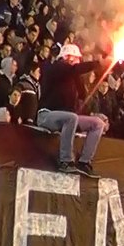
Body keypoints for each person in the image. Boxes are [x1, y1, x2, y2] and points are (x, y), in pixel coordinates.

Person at [37, 43, 108, 177]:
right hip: (47, 115)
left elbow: (82, 96)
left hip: (67, 116)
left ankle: (84, 162)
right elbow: (74, 69)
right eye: (76, 58)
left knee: (97, 124)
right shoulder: (57, 68)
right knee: (72, 118)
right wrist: (97, 63)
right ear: (68, 57)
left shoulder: (72, 75)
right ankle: (65, 161)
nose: (78, 61)